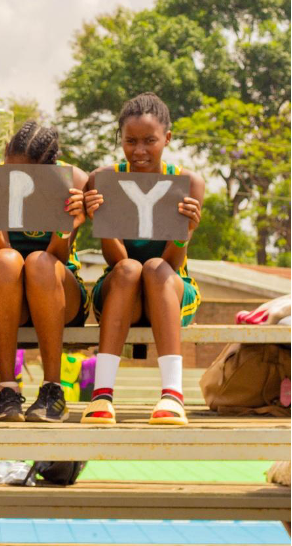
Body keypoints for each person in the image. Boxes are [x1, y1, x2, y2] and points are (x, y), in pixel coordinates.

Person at [81, 92, 204, 426]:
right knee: (131, 268)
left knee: (153, 267)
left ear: (167, 137)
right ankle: (102, 395)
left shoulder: (189, 182)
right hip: (121, 292)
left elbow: (172, 263)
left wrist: (185, 231)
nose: (139, 151)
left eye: (149, 141)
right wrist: (103, 224)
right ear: (120, 140)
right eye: (130, 141)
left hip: (170, 289)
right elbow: (115, 260)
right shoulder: (103, 179)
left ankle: (172, 395)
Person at [0, 122, 89, 423]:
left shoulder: (73, 179)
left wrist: (67, 229)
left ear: (49, 168)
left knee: (39, 262)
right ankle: (7, 390)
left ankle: (52, 389)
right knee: (7, 259)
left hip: (59, 291)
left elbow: (58, 256)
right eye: (10, 168)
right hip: (7, 295)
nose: (16, 177)